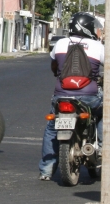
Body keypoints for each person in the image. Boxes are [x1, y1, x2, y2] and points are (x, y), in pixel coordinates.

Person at [39, 12, 105, 181]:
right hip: (89, 96)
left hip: (62, 96)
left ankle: (46, 170)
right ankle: (103, 150)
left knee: (52, 128)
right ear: (88, 27)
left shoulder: (60, 43)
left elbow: (54, 66)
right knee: (104, 113)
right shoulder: (98, 47)